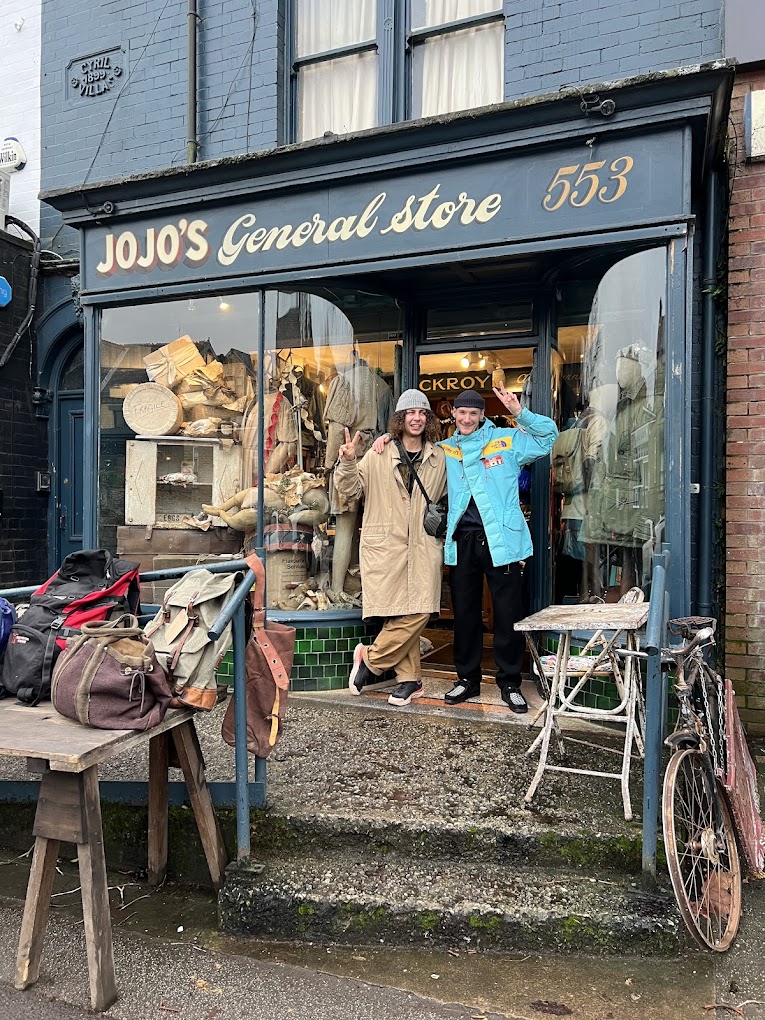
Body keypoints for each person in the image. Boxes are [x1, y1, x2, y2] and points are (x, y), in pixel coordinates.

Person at [441, 385, 558, 713]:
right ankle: (467, 680)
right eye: (461, 412)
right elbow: (410, 455)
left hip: (501, 542)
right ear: (453, 414)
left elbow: (548, 436)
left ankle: (509, 682)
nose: (466, 418)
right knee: (464, 614)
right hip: (461, 542)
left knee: (508, 614)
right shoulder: (445, 449)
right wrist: (383, 440)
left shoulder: (506, 440)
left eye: (473, 413)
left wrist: (520, 413)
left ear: (481, 416)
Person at [334, 389, 447, 707]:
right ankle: (410, 681)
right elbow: (351, 489)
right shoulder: (378, 454)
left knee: (420, 608)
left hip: (423, 545)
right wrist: (347, 461)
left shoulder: (439, 459)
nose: (417, 418)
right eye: (410, 412)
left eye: (422, 413)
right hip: (386, 545)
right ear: (401, 418)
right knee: (400, 610)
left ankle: (370, 659)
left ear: (428, 419)